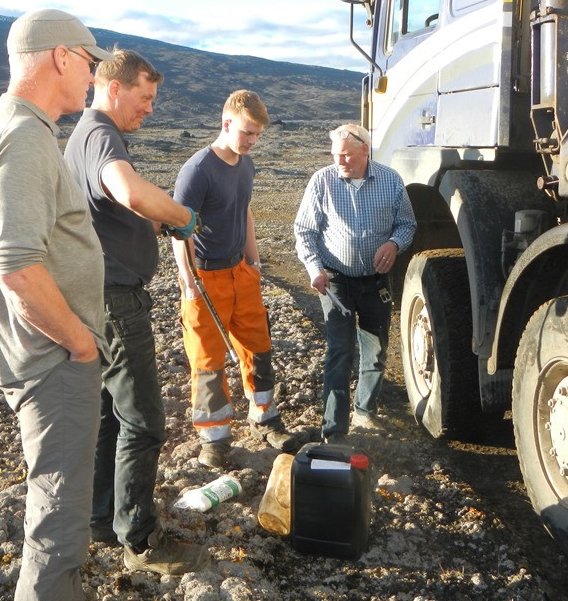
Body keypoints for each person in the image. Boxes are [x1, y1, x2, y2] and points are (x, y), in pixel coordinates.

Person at [0, 9, 126, 601]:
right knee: (59, 506)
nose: (92, 76)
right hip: (51, 358)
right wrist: (81, 343)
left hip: (33, 352)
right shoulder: (24, 136)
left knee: (63, 494)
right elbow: (19, 266)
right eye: (89, 61)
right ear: (60, 56)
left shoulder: (0, 127)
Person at [64, 48, 210, 575]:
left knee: (109, 417)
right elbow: (126, 190)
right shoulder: (102, 134)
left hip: (95, 296)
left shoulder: (83, 137)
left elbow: (107, 211)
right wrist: (180, 215)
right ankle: (142, 540)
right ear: (114, 87)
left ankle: (103, 520)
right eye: (145, 97)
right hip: (117, 300)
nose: (149, 108)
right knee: (144, 421)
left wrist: (148, 227)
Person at [171, 90, 297, 470]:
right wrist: (188, 280)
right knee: (208, 359)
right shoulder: (197, 170)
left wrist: (254, 260)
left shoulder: (246, 165)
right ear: (226, 123)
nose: (251, 141)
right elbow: (180, 228)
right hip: (206, 275)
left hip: (241, 272)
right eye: (246, 133)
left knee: (257, 346)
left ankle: (264, 417)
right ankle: (214, 438)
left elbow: (245, 213)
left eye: (257, 135)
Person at [293, 123, 417, 443]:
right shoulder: (322, 181)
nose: (340, 161)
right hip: (334, 279)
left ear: (365, 150)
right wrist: (314, 270)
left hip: (375, 281)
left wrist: (394, 244)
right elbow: (304, 231)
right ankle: (333, 430)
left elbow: (406, 224)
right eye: (335, 155)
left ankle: (365, 411)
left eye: (346, 154)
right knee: (340, 350)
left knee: (375, 351)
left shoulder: (390, 180)